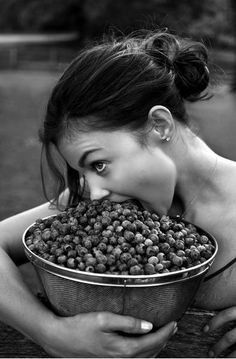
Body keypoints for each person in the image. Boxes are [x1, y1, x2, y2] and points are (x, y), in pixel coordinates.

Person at [0, 28, 236, 357]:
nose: (92, 193)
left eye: (98, 164)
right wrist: (49, 332)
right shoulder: (97, 208)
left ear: (159, 126)